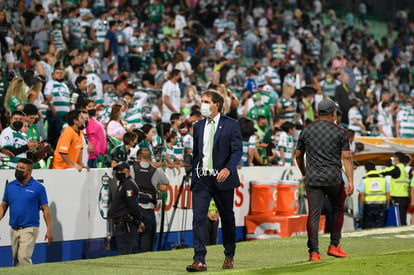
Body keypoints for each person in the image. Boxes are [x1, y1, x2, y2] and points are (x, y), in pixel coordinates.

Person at [186, 90, 242, 272]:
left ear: (216, 105)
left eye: (206, 101)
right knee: (198, 218)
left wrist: (228, 168)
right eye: (201, 101)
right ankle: (199, 259)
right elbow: (196, 154)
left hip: (222, 177)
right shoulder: (198, 126)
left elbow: (237, 151)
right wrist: (194, 174)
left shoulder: (231, 125)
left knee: (227, 218)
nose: (202, 104)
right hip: (202, 178)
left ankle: (229, 254)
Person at [295, 98, 354, 261]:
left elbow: (298, 155)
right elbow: (347, 157)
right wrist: (350, 181)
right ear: (333, 113)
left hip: (313, 179)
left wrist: (304, 172)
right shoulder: (340, 131)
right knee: (338, 208)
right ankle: (334, 245)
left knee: (314, 214)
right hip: (333, 179)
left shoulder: (306, 130)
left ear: (318, 112)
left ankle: (314, 252)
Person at [0, 158, 53, 266]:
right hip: (14, 228)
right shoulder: (10, 186)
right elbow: (3, 206)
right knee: (15, 260)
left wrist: (49, 230)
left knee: (23, 257)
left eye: (22, 168)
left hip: (30, 228)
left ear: (29, 171)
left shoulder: (38, 188)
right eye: (17, 167)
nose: (18, 170)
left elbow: (45, 209)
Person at [131, 148, 169, 252]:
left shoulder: (132, 168)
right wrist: (157, 186)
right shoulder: (155, 171)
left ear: (139, 157)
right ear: (150, 157)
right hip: (148, 210)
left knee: (132, 236)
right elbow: (166, 181)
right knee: (147, 237)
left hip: (134, 208)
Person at [108, 161, 144, 255]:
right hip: (123, 224)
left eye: (121, 170)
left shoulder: (129, 185)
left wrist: (138, 221)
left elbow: (132, 204)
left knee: (126, 251)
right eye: (117, 171)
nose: (118, 173)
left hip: (126, 225)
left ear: (128, 171)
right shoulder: (123, 183)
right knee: (126, 250)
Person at [357, 161, 389, 229]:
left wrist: (360, 206)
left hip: (368, 206)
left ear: (366, 170)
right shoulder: (383, 179)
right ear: (375, 168)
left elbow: (361, 194)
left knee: (368, 226)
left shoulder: (365, 179)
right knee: (380, 226)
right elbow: (388, 193)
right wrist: (387, 204)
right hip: (381, 205)